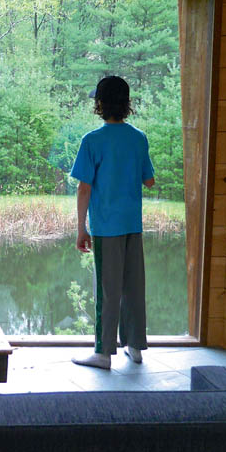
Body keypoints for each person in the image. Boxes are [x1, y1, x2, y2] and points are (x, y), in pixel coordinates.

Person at [69, 75, 155, 370]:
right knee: (133, 286)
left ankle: (103, 353)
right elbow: (150, 180)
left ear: (100, 104)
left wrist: (82, 228)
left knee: (108, 289)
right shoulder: (138, 137)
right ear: (126, 104)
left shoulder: (92, 141)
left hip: (106, 227)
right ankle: (135, 347)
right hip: (132, 223)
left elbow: (84, 188)